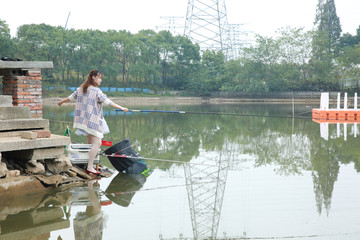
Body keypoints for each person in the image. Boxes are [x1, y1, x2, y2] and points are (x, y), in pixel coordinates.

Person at [58, 69, 129, 175]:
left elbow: (70, 97)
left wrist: (61, 102)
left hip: (83, 120)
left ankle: (89, 164)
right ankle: (90, 167)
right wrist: (122, 108)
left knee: (91, 144)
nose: (100, 80)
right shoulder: (96, 91)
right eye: (99, 78)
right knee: (98, 143)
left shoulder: (81, 88)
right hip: (92, 121)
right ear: (93, 77)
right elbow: (108, 102)